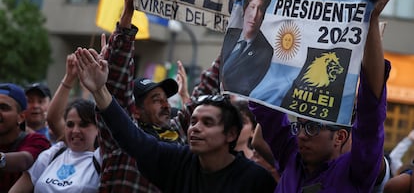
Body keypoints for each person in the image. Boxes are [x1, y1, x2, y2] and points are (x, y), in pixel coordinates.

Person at [249, 0, 392, 192]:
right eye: (301, 126)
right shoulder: (291, 157)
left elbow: (371, 113)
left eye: (313, 128)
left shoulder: (356, 171)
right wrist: (245, 9)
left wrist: (372, 19)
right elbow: (263, 104)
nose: (302, 136)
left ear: (340, 136)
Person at [74, 46, 277, 192]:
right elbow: (131, 138)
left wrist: (237, 30)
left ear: (231, 134)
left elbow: (209, 82)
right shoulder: (178, 162)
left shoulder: (256, 180)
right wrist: (100, 90)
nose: (195, 128)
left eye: (207, 123)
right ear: (136, 110)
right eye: (194, 121)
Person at [95, 0, 195, 192]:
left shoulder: (179, 134)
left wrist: (239, 15)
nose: (167, 105)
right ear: (136, 112)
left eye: (165, 99)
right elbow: (117, 84)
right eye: (156, 100)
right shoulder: (121, 136)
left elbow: (208, 90)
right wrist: (128, 10)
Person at [10, 53, 102, 192]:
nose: (75, 130)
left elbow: (52, 118)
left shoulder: (102, 160)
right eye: (70, 124)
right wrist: (70, 76)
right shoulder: (54, 153)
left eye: (84, 125)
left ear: (98, 129)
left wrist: (99, 87)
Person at [221, 0, 273, 96]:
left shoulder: (265, 51)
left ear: (264, 15)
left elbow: (243, 88)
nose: (254, 15)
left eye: (260, 9)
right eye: (252, 7)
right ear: (244, 9)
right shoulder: (231, 34)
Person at [0, 83, 50, 192]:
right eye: (30, 100)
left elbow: (25, 160)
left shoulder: (38, 141)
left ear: (21, 117)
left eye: (3, 108)